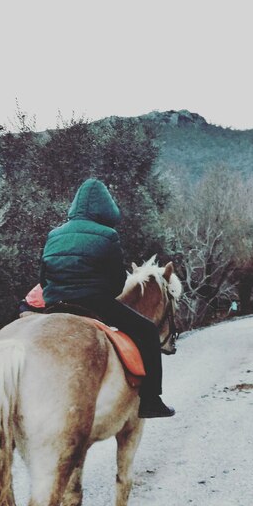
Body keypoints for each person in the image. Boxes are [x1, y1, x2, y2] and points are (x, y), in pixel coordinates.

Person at [40, 178, 175, 418]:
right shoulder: (108, 235)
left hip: (54, 305)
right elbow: (116, 284)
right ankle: (151, 401)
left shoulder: (54, 234)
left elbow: (43, 278)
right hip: (93, 302)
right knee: (147, 331)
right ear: (105, 209)